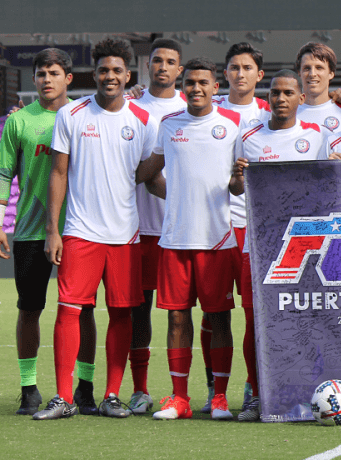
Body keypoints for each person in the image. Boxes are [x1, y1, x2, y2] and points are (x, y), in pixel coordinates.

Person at [35, 38, 159, 420]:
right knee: (68, 311)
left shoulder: (144, 120)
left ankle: (110, 396)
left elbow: (146, 175)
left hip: (124, 236)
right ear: (95, 73)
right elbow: (58, 173)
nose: (110, 76)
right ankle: (62, 397)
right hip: (79, 232)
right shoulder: (71, 115)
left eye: (117, 70)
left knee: (122, 314)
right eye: (103, 69)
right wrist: (53, 230)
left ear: (128, 75)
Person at [138, 57, 245, 421]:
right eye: (191, 83)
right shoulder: (168, 125)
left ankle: (218, 399)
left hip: (217, 240)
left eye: (204, 83)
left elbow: (237, 185)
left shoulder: (233, 124)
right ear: (184, 87)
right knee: (177, 321)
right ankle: (179, 399)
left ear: (216, 88)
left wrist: (239, 179)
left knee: (219, 321)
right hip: (176, 239)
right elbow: (149, 176)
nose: (196, 88)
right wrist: (181, 196)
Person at [234, 70, 329, 421]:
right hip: (259, 246)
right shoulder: (249, 137)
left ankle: (307, 392)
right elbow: (234, 189)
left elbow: (331, 185)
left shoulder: (318, 136)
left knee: (306, 321)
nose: (281, 99)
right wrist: (236, 176)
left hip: (305, 249)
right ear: (267, 97)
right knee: (254, 323)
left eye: (289, 92)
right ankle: (256, 394)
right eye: (275, 93)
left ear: (301, 98)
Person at [0, 48, 75, 416]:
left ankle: (82, 388)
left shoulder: (81, 117)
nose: (46, 79)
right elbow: (3, 173)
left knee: (80, 310)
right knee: (29, 310)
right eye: (41, 73)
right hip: (28, 231)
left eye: (53, 73)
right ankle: (28, 389)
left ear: (68, 78)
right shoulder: (19, 121)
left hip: (76, 229)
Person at [202, 42, 270, 414]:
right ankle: (215, 387)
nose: (240, 73)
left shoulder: (271, 111)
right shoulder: (207, 111)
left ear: (259, 75)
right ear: (223, 74)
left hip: (255, 227)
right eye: (233, 67)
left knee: (250, 314)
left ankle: (252, 386)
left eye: (247, 68)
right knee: (213, 312)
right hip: (214, 223)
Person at [124, 37, 187, 416]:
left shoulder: (194, 107)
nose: (162, 66)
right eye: (157, 60)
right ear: (148, 66)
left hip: (183, 231)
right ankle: (140, 389)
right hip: (140, 229)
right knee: (139, 312)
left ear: (180, 69)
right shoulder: (130, 107)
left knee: (190, 314)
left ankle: (209, 390)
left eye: (170, 62)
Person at [295, 42, 341, 133]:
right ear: (299, 73)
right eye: (307, 68)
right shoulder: (288, 112)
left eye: (319, 68)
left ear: (331, 73)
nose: (312, 74)